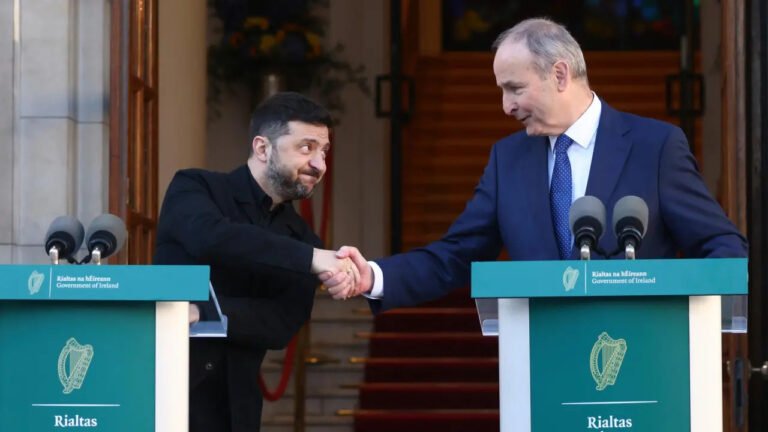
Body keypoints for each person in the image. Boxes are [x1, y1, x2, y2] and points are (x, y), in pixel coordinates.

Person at [321, 17, 748, 311]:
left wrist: (682, 307)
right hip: (545, 367)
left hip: (643, 360)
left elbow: (722, 247)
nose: (506, 106)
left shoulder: (655, 146)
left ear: (560, 75)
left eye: (515, 89)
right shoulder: (507, 160)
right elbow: (455, 256)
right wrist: (373, 276)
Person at [154, 92, 357, 432]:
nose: (320, 165)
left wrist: (203, 311)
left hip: (237, 409)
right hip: (163, 392)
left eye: (324, 151)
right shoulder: (195, 187)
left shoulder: (305, 239)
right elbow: (210, 237)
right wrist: (309, 259)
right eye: (306, 148)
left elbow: (280, 324)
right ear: (263, 148)